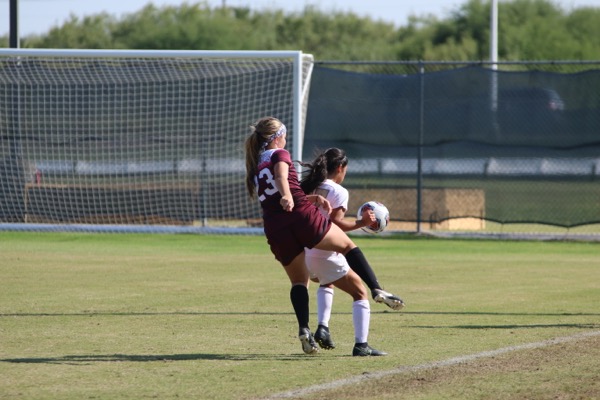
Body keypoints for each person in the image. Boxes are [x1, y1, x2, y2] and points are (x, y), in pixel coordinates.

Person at [244, 116, 403, 356]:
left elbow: (276, 194)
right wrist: (289, 195)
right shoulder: (280, 154)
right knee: (348, 246)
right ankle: (377, 289)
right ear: (278, 136)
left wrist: (310, 197)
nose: (286, 139)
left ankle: (305, 330)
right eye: (284, 135)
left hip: (275, 227)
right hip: (299, 216)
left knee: (299, 282)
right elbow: (281, 177)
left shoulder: (256, 166)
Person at [299, 147, 405, 354]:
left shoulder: (308, 186)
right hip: (324, 252)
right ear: (340, 168)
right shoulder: (339, 191)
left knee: (326, 281)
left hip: (305, 253)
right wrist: (362, 223)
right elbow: (336, 223)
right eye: (345, 170)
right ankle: (361, 345)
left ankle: (323, 328)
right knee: (359, 292)